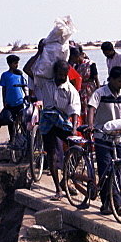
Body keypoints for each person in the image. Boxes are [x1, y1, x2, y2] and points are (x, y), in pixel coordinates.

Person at [87, 65, 121, 212]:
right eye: (120, 81)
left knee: (119, 168)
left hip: (118, 137)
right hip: (102, 136)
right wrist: (90, 125)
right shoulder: (100, 93)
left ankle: (116, 201)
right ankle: (112, 202)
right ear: (111, 79)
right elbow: (91, 109)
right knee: (105, 169)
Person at [39, 59, 81, 198]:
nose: (63, 77)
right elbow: (29, 70)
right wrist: (40, 53)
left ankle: (66, 178)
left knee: (77, 147)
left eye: (65, 74)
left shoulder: (71, 90)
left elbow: (75, 110)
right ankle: (58, 188)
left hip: (62, 121)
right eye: (60, 74)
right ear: (55, 72)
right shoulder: (46, 84)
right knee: (52, 153)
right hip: (48, 120)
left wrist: (74, 129)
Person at [0, 54, 29, 143]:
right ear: (9, 64)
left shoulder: (20, 74)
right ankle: (12, 140)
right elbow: (3, 89)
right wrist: (4, 101)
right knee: (11, 124)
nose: (16, 65)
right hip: (10, 103)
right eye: (15, 63)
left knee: (23, 122)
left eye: (17, 63)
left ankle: (25, 140)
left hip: (20, 102)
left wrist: (26, 95)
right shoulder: (5, 75)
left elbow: (24, 87)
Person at [69, 45, 98, 125]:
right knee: (82, 110)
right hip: (80, 90)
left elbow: (96, 79)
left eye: (72, 58)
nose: (72, 61)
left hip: (90, 90)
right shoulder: (75, 66)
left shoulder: (90, 64)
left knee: (91, 108)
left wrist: (98, 91)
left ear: (77, 56)